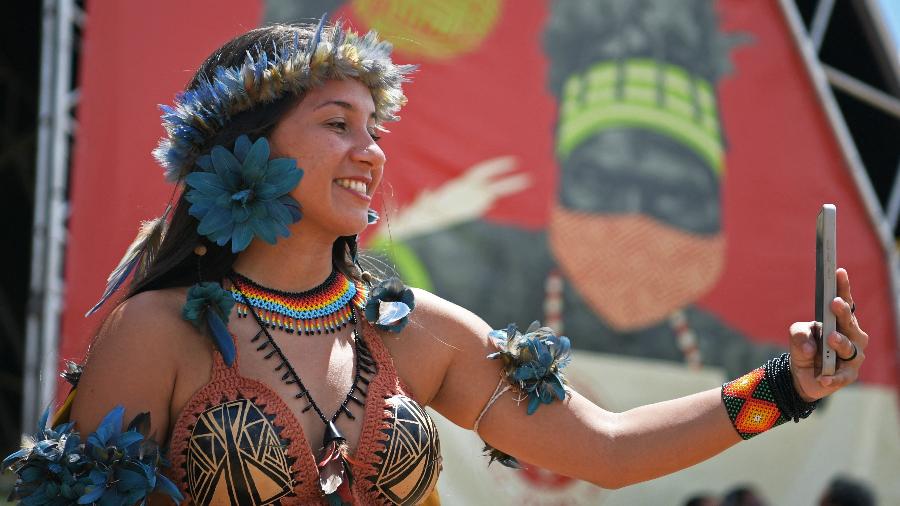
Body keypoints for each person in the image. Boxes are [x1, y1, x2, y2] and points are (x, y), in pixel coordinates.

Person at [3, 19, 868, 506]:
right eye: (337, 123)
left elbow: (603, 451)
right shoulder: (156, 333)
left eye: (374, 129)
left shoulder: (420, 332)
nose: (371, 152)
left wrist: (784, 389)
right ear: (243, 149)